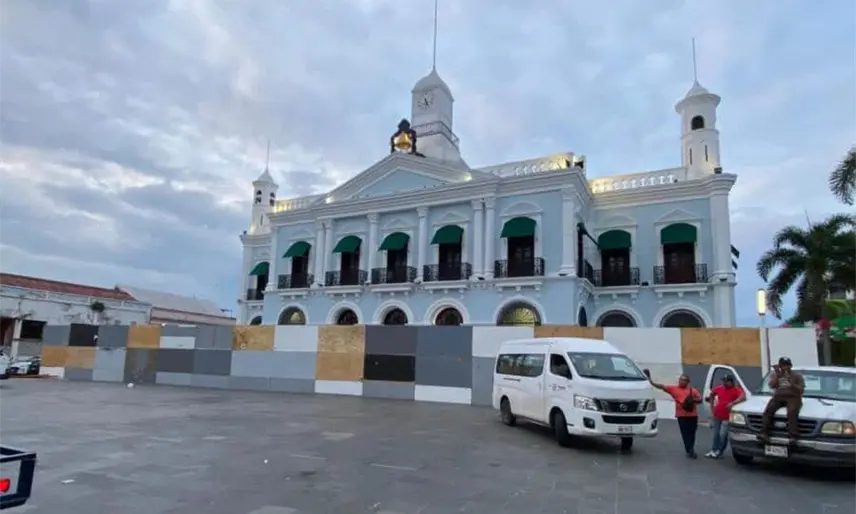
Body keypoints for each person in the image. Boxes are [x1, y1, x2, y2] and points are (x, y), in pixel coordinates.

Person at [650, 373, 703, 458]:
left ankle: (690, 448)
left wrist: (692, 400)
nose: (681, 381)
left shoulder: (692, 390)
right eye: (680, 379)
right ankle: (690, 450)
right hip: (681, 416)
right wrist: (652, 382)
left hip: (692, 415)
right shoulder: (674, 389)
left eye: (684, 380)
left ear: (688, 382)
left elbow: (700, 400)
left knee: (692, 433)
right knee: (685, 433)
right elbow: (662, 386)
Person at [760, 357, 805, 445]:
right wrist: (777, 375)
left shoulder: (797, 376)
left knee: (792, 412)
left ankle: (793, 436)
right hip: (779, 396)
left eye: (787, 365)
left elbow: (801, 390)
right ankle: (764, 433)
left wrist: (792, 384)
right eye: (782, 366)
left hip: (793, 397)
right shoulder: (776, 374)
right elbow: (772, 386)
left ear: (790, 366)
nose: (785, 368)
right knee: (769, 410)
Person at [705, 374, 745, 458]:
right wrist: (712, 407)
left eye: (726, 381)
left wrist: (733, 403)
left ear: (731, 382)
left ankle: (719, 450)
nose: (724, 383)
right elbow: (711, 395)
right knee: (716, 434)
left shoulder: (736, 390)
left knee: (722, 434)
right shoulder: (719, 388)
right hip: (717, 414)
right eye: (723, 381)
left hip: (727, 416)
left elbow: (743, 397)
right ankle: (713, 450)